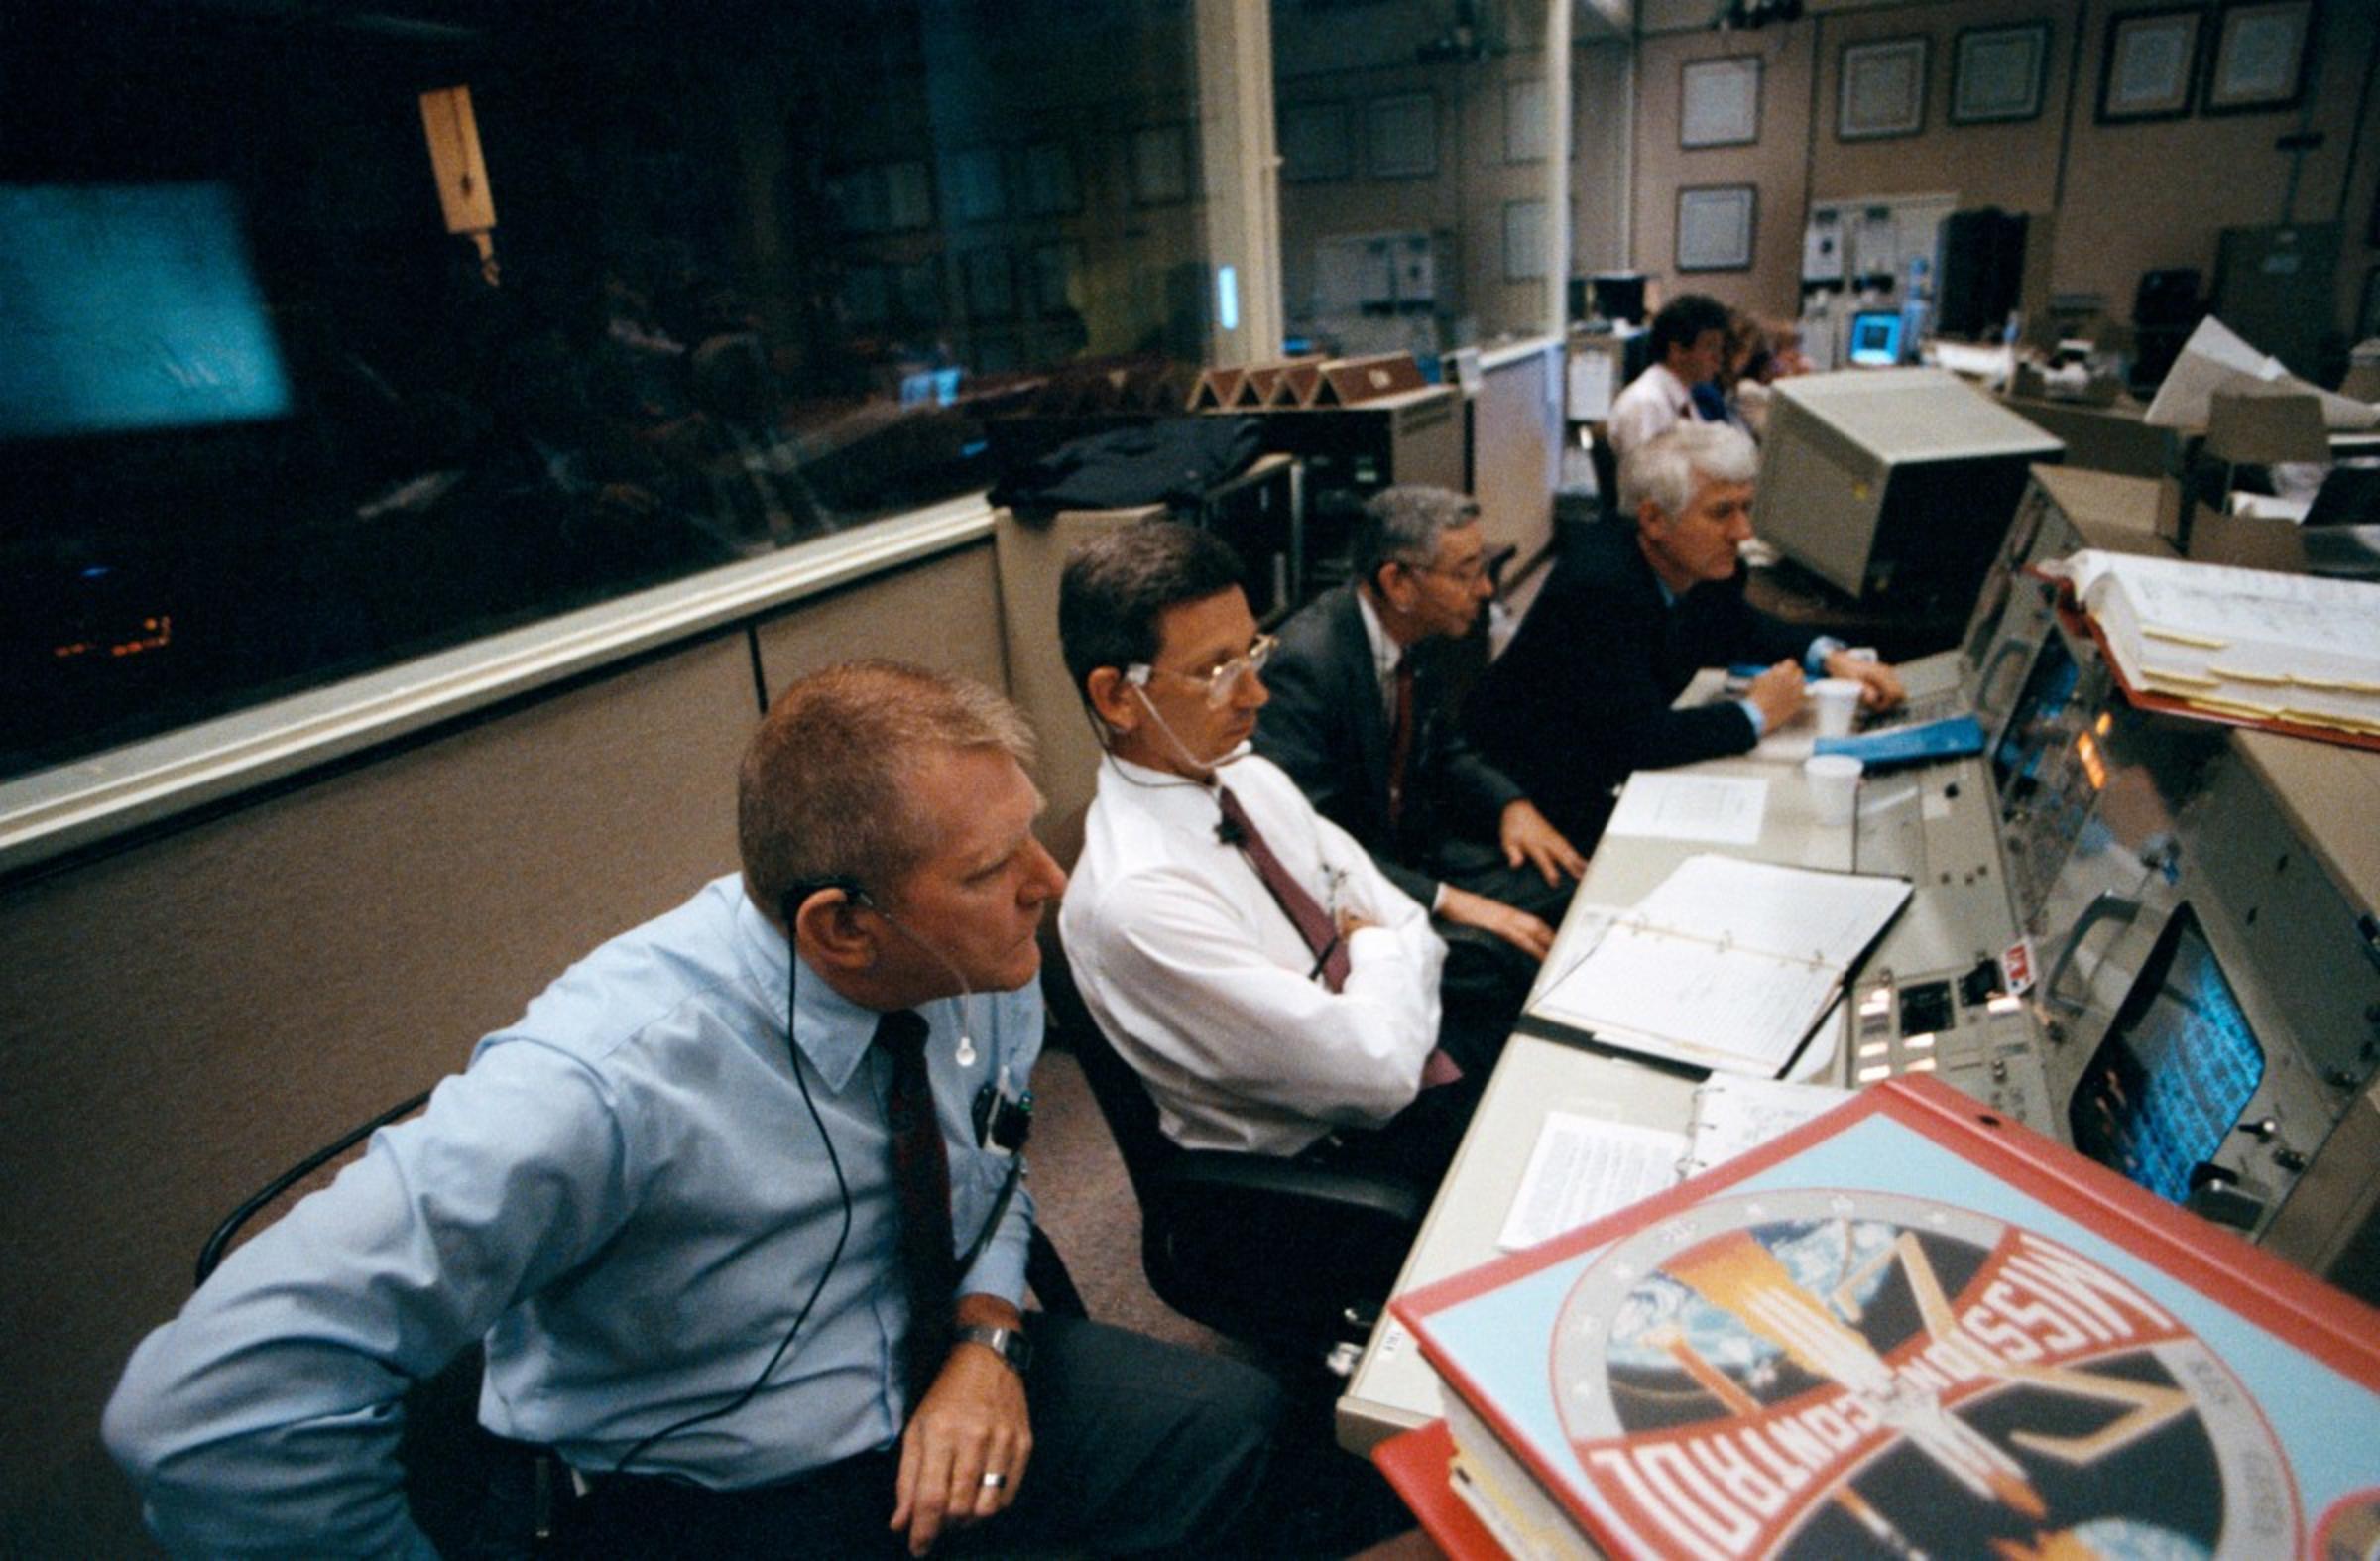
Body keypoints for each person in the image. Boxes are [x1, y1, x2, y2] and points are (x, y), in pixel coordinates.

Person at [105, 660, 1281, 1560]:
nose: (1050, 879)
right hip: (716, 1482)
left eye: (1031, 828)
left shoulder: (982, 963)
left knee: (1239, 1428)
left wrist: (986, 1334)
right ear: (841, 924)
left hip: (941, 1359)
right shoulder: (605, 1080)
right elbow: (202, 1409)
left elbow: (997, 1159)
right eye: (989, 867)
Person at [1056, 522, 1488, 1186]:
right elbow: (1376, 1073)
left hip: (1416, 1069)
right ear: (1118, 697)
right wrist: (1374, 953)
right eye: (1215, 672)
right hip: (1327, 1171)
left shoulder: (1249, 777)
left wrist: (1381, 982)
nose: (1256, 694)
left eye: (1251, 653)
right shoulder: (1137, 897)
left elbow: (1409, 923)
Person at [1466, 423, 1906, 848]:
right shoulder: (1599, 588)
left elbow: (1739, 623)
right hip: (1525, 790)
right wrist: (1756, 714)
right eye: (1721, 512)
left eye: (1745, 508)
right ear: (1654, 519)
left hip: (1601, 763)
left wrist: (1830, 658)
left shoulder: (1697, 563)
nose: (1743, 532)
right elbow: (1642, 740)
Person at [1253, 485, 1586, 1026]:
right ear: (1398, 582)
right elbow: (1309, 842)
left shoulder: (1414, 630)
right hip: (1352, 883)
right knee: (1503, 956)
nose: (1484, 589)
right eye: (1464, 573)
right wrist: (1446, 900)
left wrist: (1510, 806)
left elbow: (1444, 747)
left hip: (1411, 848)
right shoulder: (1307, 668)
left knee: (1565, 885)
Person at [1605, 292, 1732, 458]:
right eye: (1710, 346)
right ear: (1677, 351)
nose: (1719, 357)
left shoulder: (1684, 398)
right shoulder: (1646, 403)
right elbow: (1646, 478)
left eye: (1719, 347)